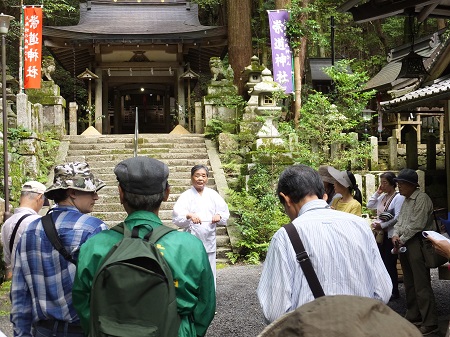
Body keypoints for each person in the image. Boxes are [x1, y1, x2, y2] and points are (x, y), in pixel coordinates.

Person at [73, 157, 216, 337]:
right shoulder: (190, 246)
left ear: (121, 194)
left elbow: (83, 304)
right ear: (166, 193)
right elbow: (206, 305)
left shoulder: (95, 246)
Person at [257, 164, 392, 324]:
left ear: (286, 199)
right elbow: (383, 291)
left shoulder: (285, 236)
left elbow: (274, 311)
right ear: (325, 197)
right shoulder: (361, 226)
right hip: (360, 328)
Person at [10, 162, 108, 337]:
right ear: (72, 192)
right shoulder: (94, 229)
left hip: (42, 330)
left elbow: (19, 293)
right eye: (91, 191)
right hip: (82, 330)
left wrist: (21, 333)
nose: (96, 197)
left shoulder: (29, 230)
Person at [391, 168, 438, 336]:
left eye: (401, 183)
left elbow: (417, 224)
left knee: (421, 285)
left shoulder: (421, 198)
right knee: (410, 283)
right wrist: (396, 234)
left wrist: (400, 238)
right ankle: (413, 314)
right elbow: (400, 220)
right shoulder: (405, 200)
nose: (399, 187)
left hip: (417, 242)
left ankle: (430, 321)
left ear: (411, 185)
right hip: (406, 242)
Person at [172, 164, 230, 287]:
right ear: (191, 178)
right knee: (193, 270)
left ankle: (210, 298)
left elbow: (224, 212)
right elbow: (177, 217)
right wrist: (189, 215)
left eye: (203, 176)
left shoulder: (213, 195)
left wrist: (218, 216)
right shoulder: (186, 196)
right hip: (192, 240)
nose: (200, 179)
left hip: (208, 238)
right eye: (197, 175)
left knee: (210, 271)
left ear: (207, 179)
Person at [367, 172, 405, 300]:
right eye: (381, 182)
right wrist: (377, 192)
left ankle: (394, 290)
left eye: (385, 182)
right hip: (380, 234)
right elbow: (369, 205)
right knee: (382, 262)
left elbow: (397, 216)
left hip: (390, 234)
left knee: (390, 263)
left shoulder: (397, 197)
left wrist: (382, 226)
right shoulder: (383, 196)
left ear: (392, 183)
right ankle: (386, 289)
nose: (382, 185)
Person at [1, 181, 48, 280]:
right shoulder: (38, 222)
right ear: (39, 198)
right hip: (35, 280)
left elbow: (7, 259)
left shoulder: (7, 223)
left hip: (16, 281)